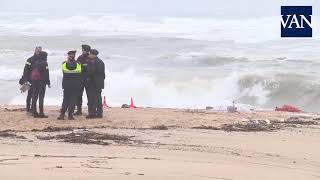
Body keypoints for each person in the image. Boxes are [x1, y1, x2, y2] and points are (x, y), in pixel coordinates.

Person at [57, 50, 82, 120]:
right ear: (74, 56)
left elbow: (64, 73)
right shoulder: (79, 64)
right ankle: (70, 115)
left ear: (68, 56)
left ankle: (62, 114)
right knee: (73, 100)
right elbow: (79, 74)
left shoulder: (64, 64)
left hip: (66, 85)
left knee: (65, 99)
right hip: (75, 85)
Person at [19, 46, 42, 115]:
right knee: (29, 95)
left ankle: (33, 109)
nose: (39, 52)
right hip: (29, 80)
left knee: (35, 95)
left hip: (37, 81)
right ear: (35, 51)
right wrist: (24, 80)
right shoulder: (30, 60)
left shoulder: (42, 61)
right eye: (38, 51)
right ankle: (28, 110)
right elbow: (25, 70)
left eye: (40, 51)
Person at [86, 49, 105, 119]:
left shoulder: (93, 62)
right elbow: (103, 75)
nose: (89, 55)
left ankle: (92, 113)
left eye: (90, 54)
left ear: (93, 55)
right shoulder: (100, 61)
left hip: (93, 83)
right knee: (98, 98)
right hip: (99, 83)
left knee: (92, 99)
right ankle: (99, 113)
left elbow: (91, 72)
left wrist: (88, 77)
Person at [74, 44, 91, 116]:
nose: (83, 51)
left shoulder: (90, 58)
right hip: (80, 80)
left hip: (88, 80)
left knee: (89, 96)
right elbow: (77, 68)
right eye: (83, 50)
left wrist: (84, 67)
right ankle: (79, 110)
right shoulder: (80, 58)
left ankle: (90, 110)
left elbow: (91, 69)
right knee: (79, 95)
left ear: (87, 51)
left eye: (84, 50)